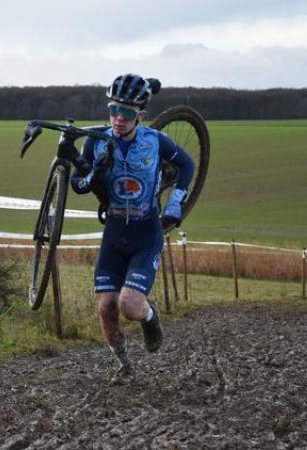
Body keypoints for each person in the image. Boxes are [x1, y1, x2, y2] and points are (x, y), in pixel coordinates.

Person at [60, 74, 195, 384]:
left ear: (141, 116)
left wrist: (176, 202)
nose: (119, 119)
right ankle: (124, 365)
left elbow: (187, 166)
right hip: (114, 233)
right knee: (107, 308)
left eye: (128, 113)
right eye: (113, 110)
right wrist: (94, 172)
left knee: (129, 305)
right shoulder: (97, 139)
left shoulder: (155, 141)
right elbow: (79, 184)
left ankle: (150, 316)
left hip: (146, 233)